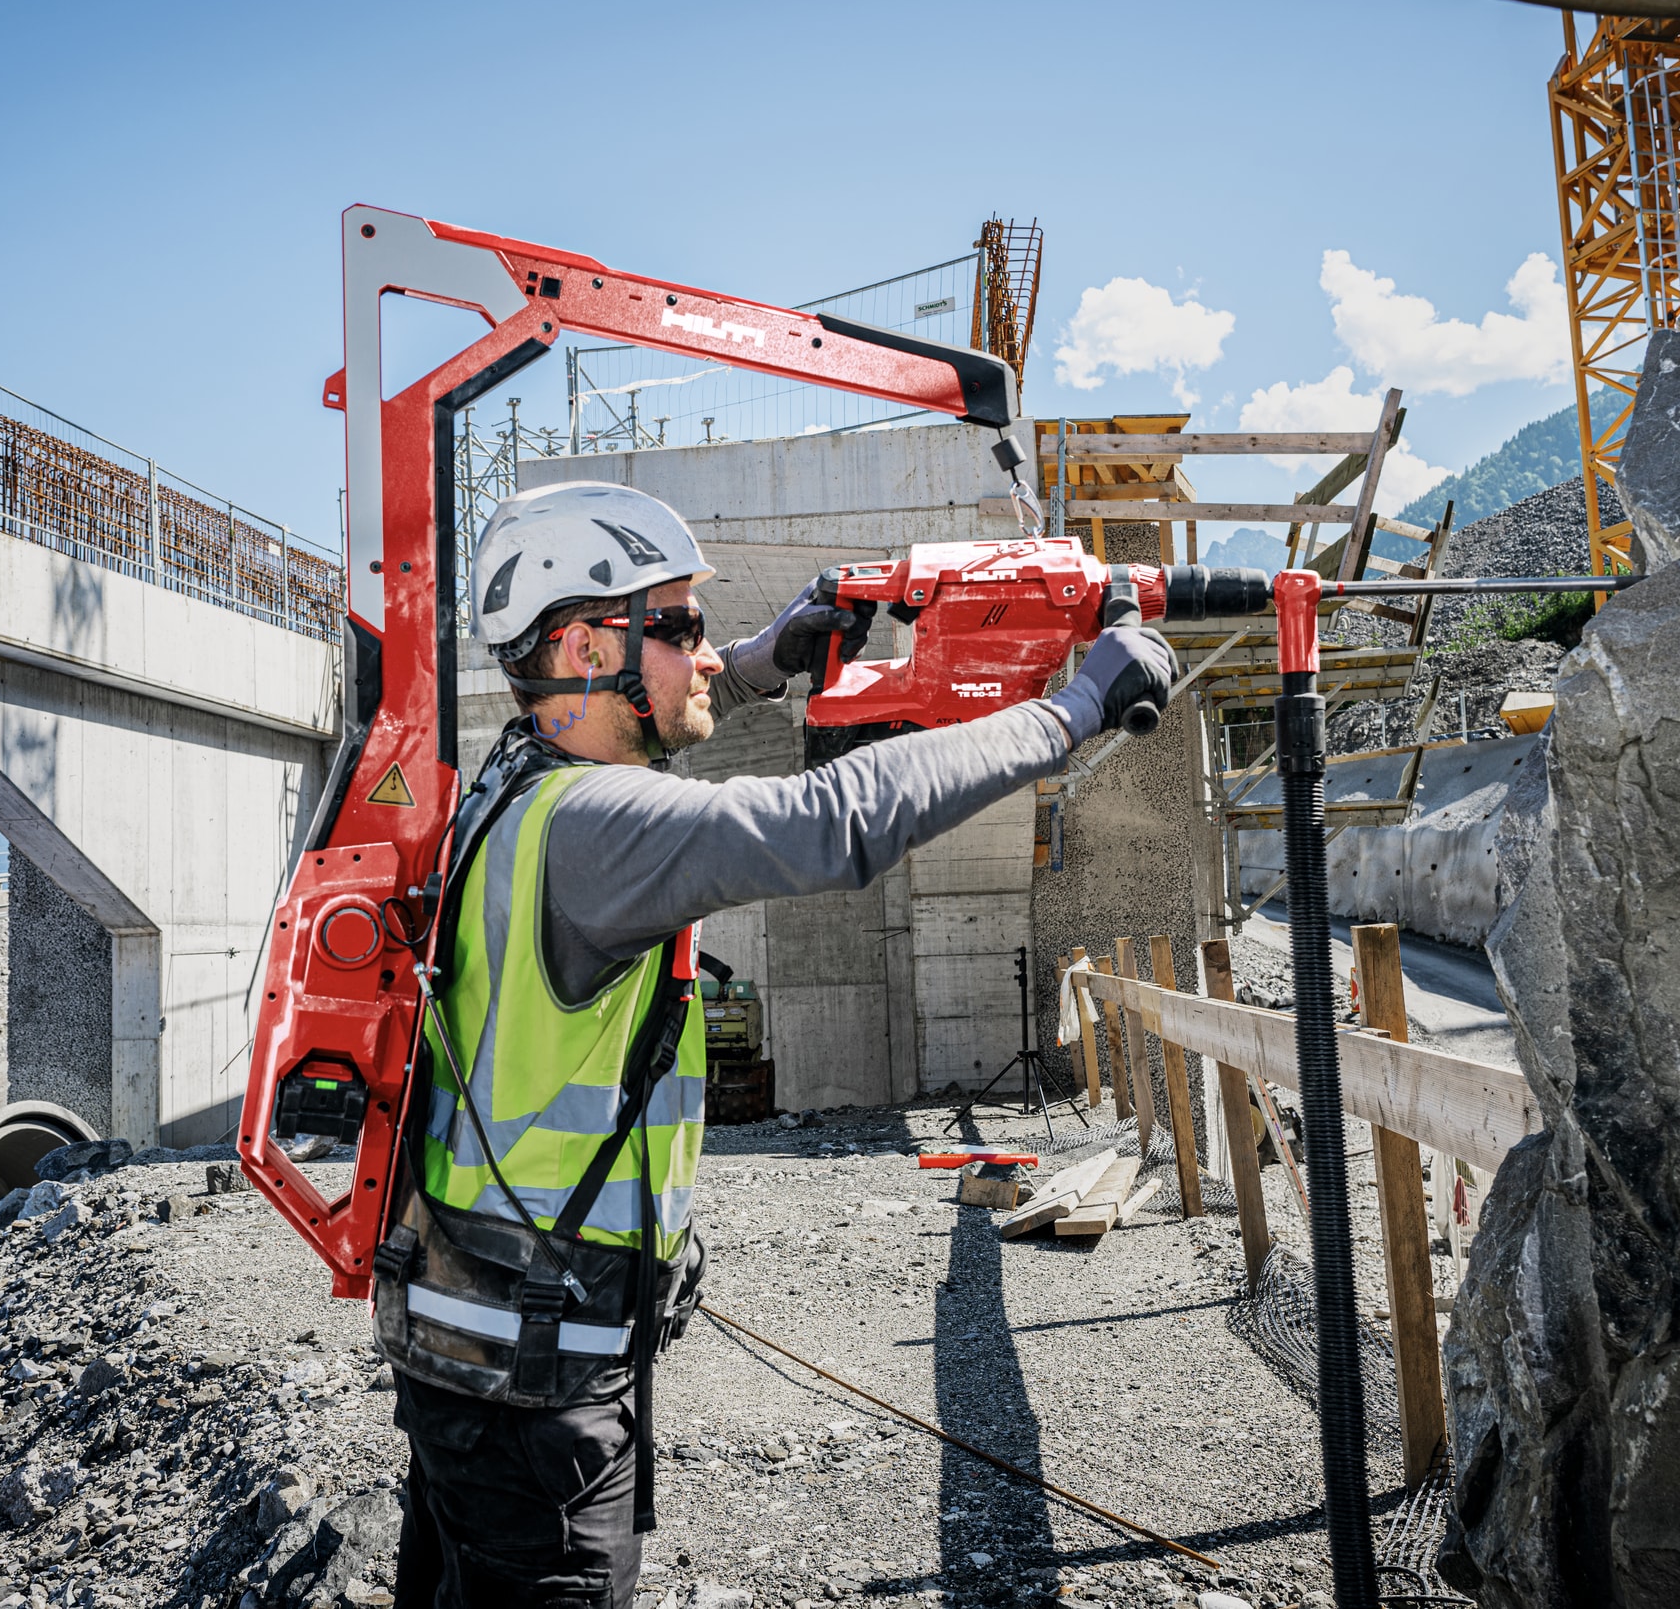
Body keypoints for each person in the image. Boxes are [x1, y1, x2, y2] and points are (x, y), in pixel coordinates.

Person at [382, 480, 1176, 1609]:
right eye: (679, 626)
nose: (705, 655)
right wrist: (1070, 710)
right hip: (532, 1382)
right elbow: (824, 824)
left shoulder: (515, 784)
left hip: (472, 1336)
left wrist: (762, 658)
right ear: (577, 644)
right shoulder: (595, 833)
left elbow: (645, 753)